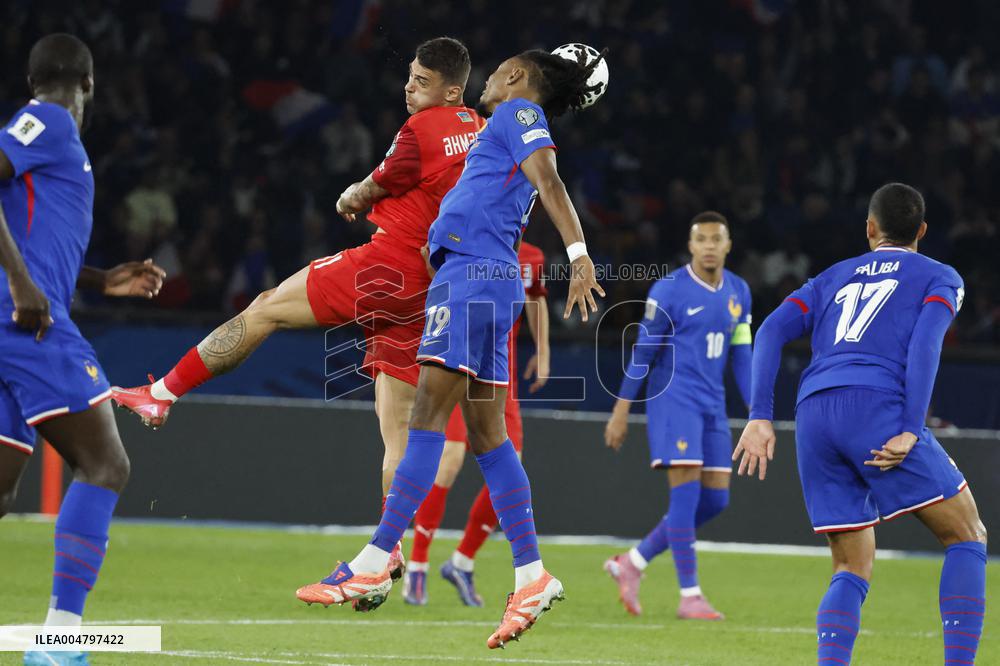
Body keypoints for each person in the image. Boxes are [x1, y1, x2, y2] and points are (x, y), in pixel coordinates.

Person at [110, 37, 482, 597]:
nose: (409, 87)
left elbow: (372, 186)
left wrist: (353, 195)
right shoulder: (479, 129)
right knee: (398, 426)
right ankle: (385, 553)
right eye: (409, 76)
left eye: (422, 80)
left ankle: (163, 392)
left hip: (389, 264)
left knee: (265, 311)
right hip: (434, 287)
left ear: (450, 90)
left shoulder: (421, 130)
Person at [295, 48, 606, 650]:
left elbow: (550, 179)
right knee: (491, 438)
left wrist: (577, 254)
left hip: (470, 279)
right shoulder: (500, 129)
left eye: (497, 70)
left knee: (426, 420)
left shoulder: (519, 113)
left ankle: (375, 558)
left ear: (517, 76)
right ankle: (531, 574)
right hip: (492, 283)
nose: (488, 79)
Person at [734, 182, 987, 664]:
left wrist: (759, 417)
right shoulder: (940, 276)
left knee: (851, 564)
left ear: (870, 228)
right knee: (967, 535)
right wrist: (913, 425)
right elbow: (925, 344)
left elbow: (767, 331)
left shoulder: (832, 277)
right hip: (877, 406)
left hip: (814, 414)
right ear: (923, 230)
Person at [0, 34, 166, 666]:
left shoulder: (50, 143)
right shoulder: (46, 121)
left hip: (18, 316)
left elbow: (33, 235)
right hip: (25, 325)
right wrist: (21, 284)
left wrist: (100, 279)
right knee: (106, 465)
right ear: (90, 84)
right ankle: (59, 641)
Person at [603, 212, 752, 620]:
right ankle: (690, 596)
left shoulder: (739, 292)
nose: (708, 245)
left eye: (715, 239)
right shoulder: (668, 289)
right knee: (684, 498)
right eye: (700, 239)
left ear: (727, 245)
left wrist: (758, 411)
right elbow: (643, 353)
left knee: (716, 499)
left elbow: (742, 355)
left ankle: (632, 562)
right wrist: (621, 409)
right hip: (674, 401)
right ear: (690, 246)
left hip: (713, 405)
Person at [403, 240, 549, 607]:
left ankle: (461, 561)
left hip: (500, 375)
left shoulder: (531, 257)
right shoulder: (466, 240)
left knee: (511, 463)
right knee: (449, 458)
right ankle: (418, 565)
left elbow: (535, 298)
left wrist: (544, 351)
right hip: (457, 359)